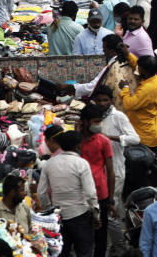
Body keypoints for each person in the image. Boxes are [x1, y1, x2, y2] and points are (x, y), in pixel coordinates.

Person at [37, 131, 99, 257]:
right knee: (84, 252)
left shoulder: (49, 164)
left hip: (58, 217)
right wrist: (96, 214)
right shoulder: (81, 163)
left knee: (62, 252)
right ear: (77, 146)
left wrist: (49, 210)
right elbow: (90, 193)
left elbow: (41, 192)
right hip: (80, 214)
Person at [93, 85, 139, 208]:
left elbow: (135, 139)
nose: (102, 103)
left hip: (115, 166)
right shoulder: (93, 116)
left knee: (112, 203)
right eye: (99, 100)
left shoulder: (118, 116)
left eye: (105, 100)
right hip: (98, 169)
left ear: (111, 101)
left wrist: (109, 138)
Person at [78, 104, 114, 257]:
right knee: (82, 233)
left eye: (100, 121)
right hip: (80, 194)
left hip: (101, 194)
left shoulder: (104, 141)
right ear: (85, 122)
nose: (98, 125)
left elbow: (110, 171)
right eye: (95, 121)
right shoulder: (76, 140)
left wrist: (111, 199)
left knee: (100, 234)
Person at [119, 55, 157, 152]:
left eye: (139, 67)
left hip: (144, 137)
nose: (136, 68)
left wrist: (125, 88)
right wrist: (127, 54)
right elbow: (138, 65)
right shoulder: (156, 79)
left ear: (143, 70)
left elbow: (129, 105)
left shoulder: (146, 89)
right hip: (150, 133)